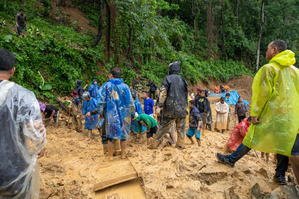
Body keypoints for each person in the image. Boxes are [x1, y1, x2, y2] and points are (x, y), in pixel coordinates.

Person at [216, 40, 299, 185]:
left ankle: (231, 159)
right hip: (290, 117)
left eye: (267, 48)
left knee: (251, 137)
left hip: (271, 115)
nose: (266, 51)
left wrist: (255, 113)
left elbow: (261, 94)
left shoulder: (269, 69)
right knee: (284, 144)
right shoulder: (295, 71)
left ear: (274, 50)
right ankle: (279, 175)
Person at [0, 49, 47, 198]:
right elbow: (34, 126)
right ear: (13, 70)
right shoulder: (22, 95)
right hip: (13, 168)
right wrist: (41, 146)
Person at [97, 67, 135, 161]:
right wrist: (133, 114)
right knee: (124, 135)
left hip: (111, 115)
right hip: (125, 114)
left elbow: (100, 101)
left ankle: (110, 156)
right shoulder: (126, 87)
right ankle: (123, 154)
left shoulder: (106, 86)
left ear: (111, 75)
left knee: (110, 136)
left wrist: (100, 112)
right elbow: (131, 102)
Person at [149, 61, 188, 150]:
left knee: (163, 127)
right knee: (181, 128)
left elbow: (163, 93)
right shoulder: (183, 80)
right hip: (182, 109)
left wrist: (159, 105)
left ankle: (154, 145)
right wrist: (185, 107)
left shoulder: (167, 79)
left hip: (170, 109)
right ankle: (180, 145)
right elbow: (186, 95)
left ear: (171, 69)